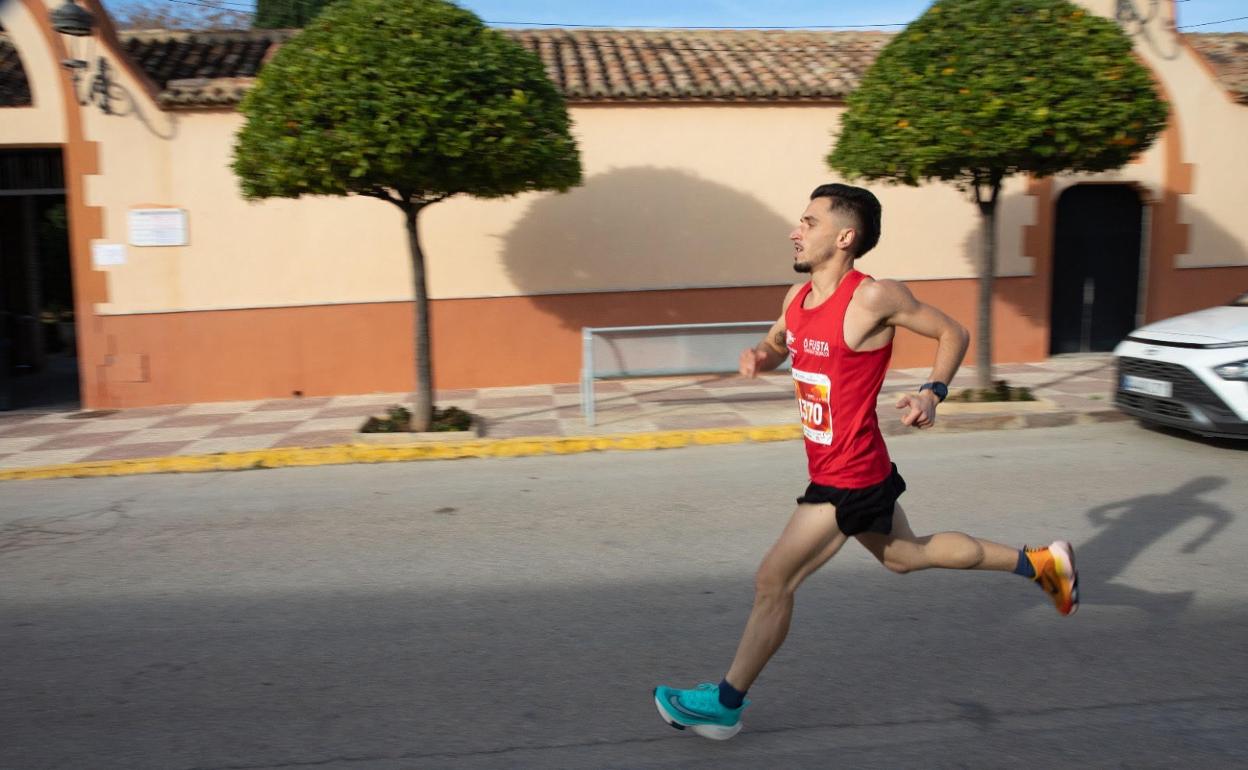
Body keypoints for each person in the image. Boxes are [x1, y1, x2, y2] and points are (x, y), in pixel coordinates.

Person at [653, 183, 1079, 741]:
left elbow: (954, 331)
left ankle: (725, 704)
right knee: (906, 556)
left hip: (848, 477)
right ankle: (1042, 563)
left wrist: (932, 392)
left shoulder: (873, 298)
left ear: (845, 237)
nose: (795, 231)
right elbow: (782, 341)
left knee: (772, 582)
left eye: (809, 222)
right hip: (847, 470)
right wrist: (764, 354)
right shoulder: (795, 298)